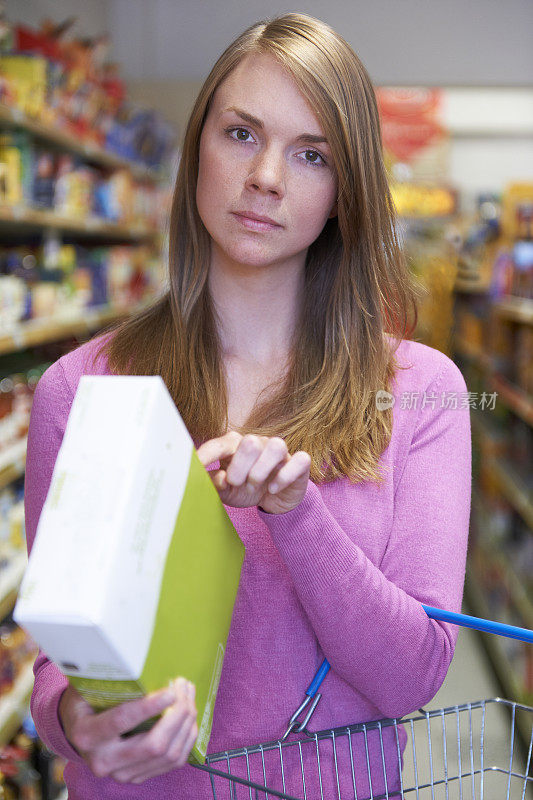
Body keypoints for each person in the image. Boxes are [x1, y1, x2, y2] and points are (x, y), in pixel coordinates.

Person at [24, 12, 471, 799]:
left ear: (344, 192)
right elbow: (62, 668)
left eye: (311, 155)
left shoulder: (421, 389)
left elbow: (414, 677)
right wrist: (81, 723)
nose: (267, 175)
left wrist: (296, 513)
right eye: (240, 134)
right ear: (198, 144)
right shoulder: (84, 387)